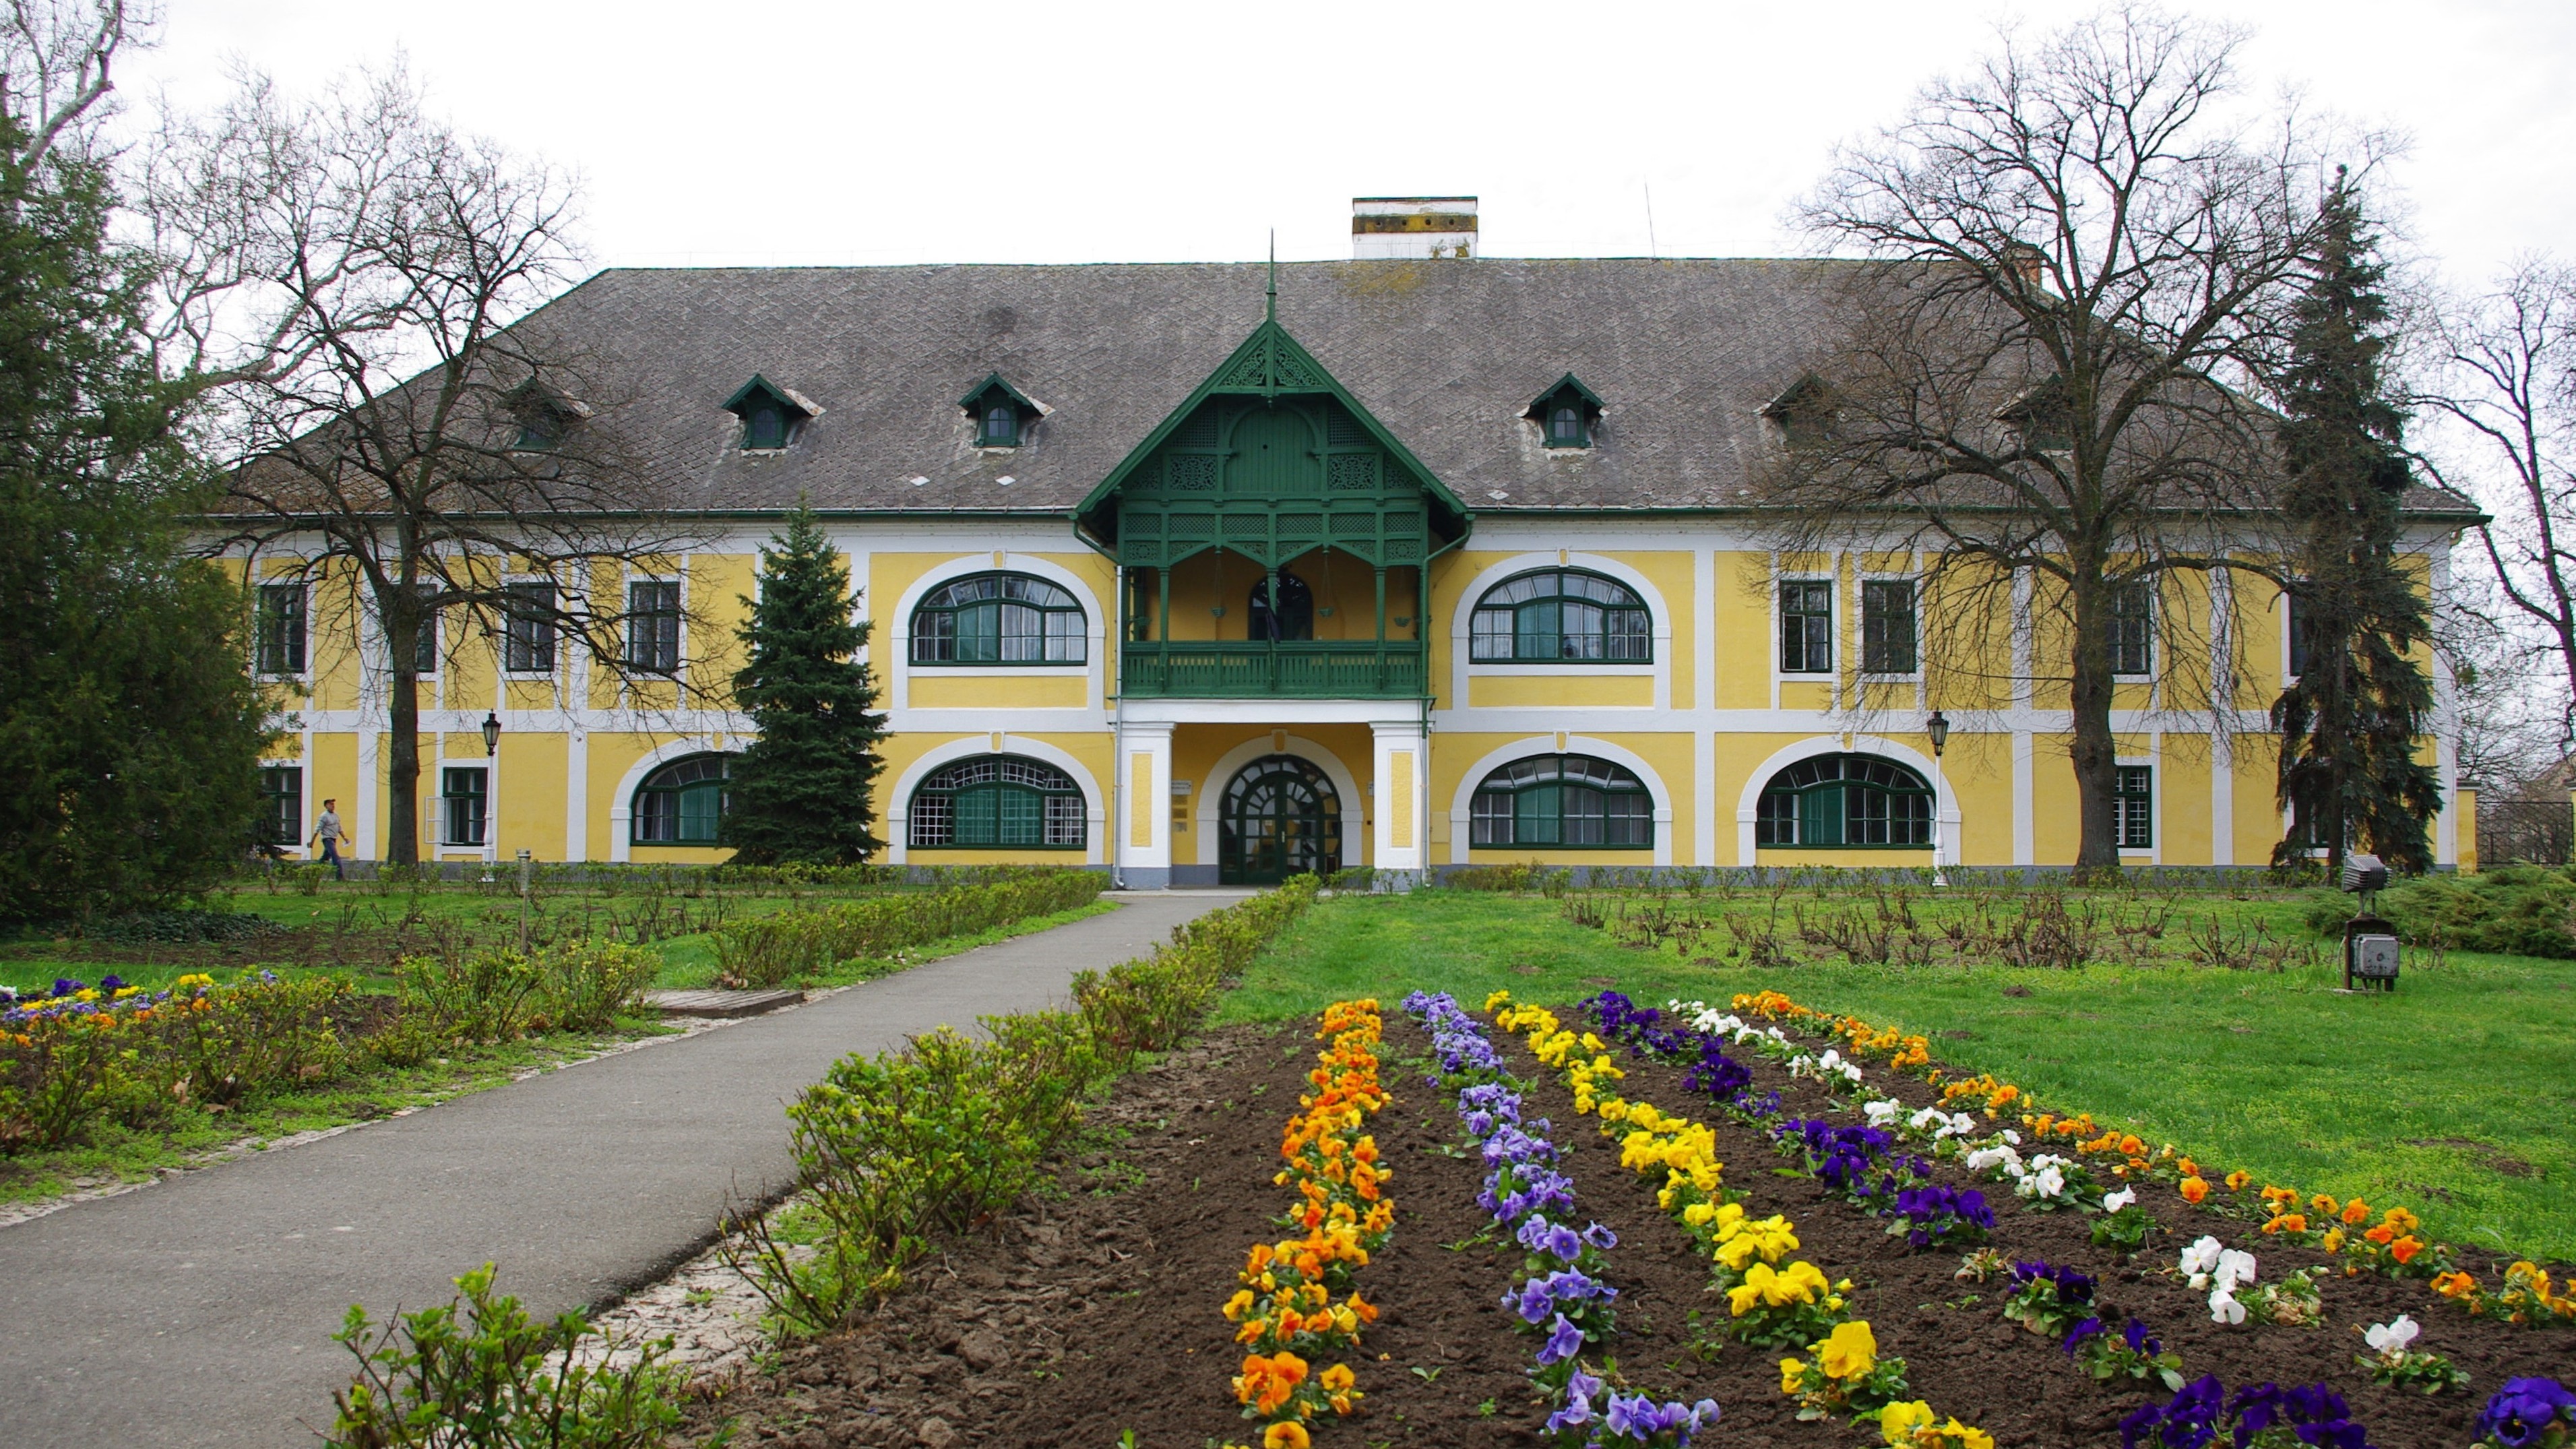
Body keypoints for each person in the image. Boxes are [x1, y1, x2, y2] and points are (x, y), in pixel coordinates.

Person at [310, 798, 346, 881]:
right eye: (331, 804)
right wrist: (312, 842)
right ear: (326, 806)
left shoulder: (336, 815)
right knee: (335, 857)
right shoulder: (324, 816)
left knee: (324, 858)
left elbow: (339, 827)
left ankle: (313, 873)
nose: (333, 806)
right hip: (327, 839)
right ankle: (340, 877)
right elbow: (317, 829)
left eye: (333, 804)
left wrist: (344, 837)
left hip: (333, 838)